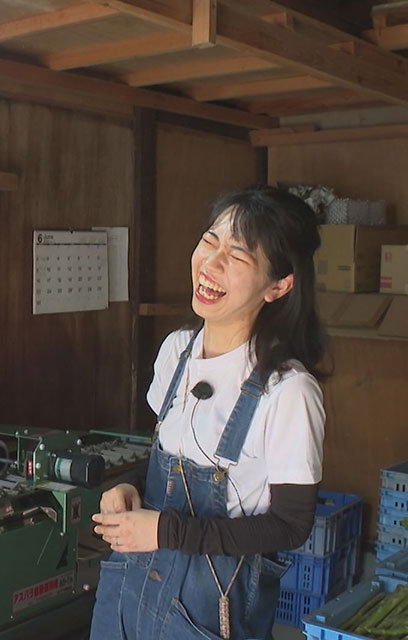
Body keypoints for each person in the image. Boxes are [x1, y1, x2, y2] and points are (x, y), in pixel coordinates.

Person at [89, 186, 329, 640]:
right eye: (209, 240)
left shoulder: (289, 392)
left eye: (237, 255)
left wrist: (169, 533)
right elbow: (167, 456)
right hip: (130, 585)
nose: (211, 263)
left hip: (206, 610)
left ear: (279, 285)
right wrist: (128, 488)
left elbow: (291, 525)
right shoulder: (177, 350)